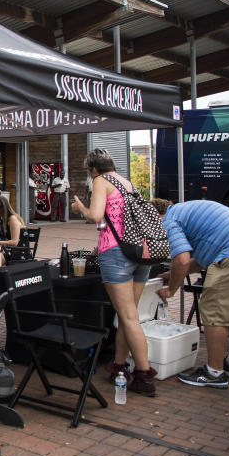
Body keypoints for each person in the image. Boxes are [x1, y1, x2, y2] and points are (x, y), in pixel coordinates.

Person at [71, 148, 156, 397]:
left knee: (129, 318)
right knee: (128, 317)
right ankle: (119, 366)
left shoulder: (101, 181)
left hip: (116, 252)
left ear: (93, 169)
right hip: (140, 253)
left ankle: (144, 375)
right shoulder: (127, 183)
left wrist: (81, 209)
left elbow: (96, 216)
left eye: (89, 171)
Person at [156, 200, 229, 388]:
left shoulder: (170, 220)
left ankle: (214, 373)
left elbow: (182, 260)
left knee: (214, 311)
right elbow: (200, 262)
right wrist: (173, 275)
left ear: (156, 216)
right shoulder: (186, 211)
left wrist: (171, 290)